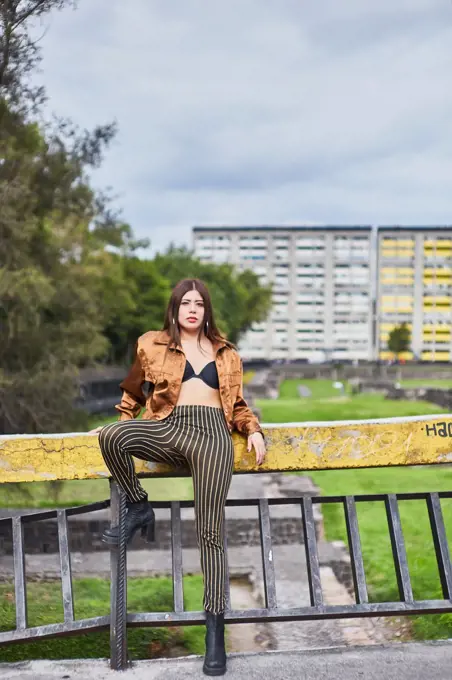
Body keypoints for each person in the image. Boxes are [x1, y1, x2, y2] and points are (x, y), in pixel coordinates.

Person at [92, 278, 266, 676]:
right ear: (174, 308)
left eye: (199, 303)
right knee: (113, 436)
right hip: (169, 427)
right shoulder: (151, 343)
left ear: (207, 311)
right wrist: (123, 418)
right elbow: (133, 392)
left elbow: (236, 403)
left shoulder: (226, 353)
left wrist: (253, 429)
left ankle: (215, 636)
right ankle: (138, 505)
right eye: (185, 302)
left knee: (210, 534)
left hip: (213, 437)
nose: (192, 308)